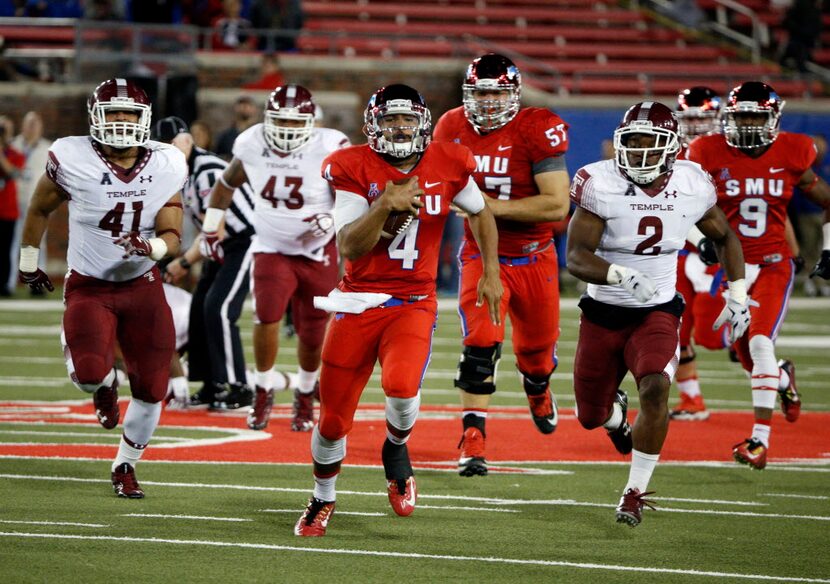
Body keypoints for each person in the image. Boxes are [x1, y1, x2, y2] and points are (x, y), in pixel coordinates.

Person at [288, 84, 502, 537]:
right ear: (374, 125)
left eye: (407, 119)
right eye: (389, 119)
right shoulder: (351, 165)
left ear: (422, 124)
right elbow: (349, 246)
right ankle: (322, 497)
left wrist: (491, 271)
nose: (399, 127)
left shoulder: (449, 161)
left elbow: (481, 213)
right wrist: (384, 203)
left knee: (402, 389)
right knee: (332, 420)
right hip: (358, 299)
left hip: (413, 300)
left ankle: (396, 449)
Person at [567, 101, 749, 526]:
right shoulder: (598, 181)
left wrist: (737, 294)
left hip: (658, 311)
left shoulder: (691, 183)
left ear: (672, 147)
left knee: (655, 388)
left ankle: (634, 492)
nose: (639, 152)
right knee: (590, 416)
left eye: (650, 143)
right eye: (632, 142)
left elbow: (724, 236)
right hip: (603, 311)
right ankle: (616, 418)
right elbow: (576, 256)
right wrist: (619, 275)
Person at [17, 78, 187, 497]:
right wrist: (27, 262)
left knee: (152, 389)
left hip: (142, 285)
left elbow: (173, 233)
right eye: (113, 112)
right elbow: (40, 207)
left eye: (129, 113)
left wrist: (153, 246)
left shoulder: (166, 163)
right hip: (90, 285)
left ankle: (125, 466)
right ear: (95, 117)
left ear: (145, 119)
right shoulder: (72, 157)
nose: (122, 120)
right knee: (90, 376)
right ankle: (105, 385)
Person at [432, 53, 570, 477]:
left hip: (533, 255)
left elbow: (556, 204)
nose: (488, 102)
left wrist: (490, 206)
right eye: (481, 93)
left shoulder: (536, 128)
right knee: (479, 345)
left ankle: (538, 386)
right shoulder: (451, 125)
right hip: (478, 253)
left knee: (536, 353)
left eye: (497, 93)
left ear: (514, 94)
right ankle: (473, 439)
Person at [688, 81, 830, 470]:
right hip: (730, 266)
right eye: (742, 115)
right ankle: (782, 379)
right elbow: (686, 201)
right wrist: (699, 236)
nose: (749, 123)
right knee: (736, 349)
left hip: (771, 264)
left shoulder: (793, 151)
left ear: (773, 119)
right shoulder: (706, 151)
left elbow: (827, 200)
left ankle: (759, 441)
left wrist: (828, 248)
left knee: (761, 342)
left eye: (756, 115)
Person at [200, 85, 349, 431]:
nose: (287, 129)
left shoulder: (329, 147)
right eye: (280, 120)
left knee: (312, 330)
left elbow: (353, 194)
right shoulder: (252, 143)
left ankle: (304, 393)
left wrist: (334, 218)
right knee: (265, 316)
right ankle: (264, 389)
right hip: (271, 247)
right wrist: (211, 226)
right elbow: (226, 183)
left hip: (317, 250)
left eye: (295, 123)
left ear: (312, 123)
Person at [153, 115, 257, 410]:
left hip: (243, 241)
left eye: (171, 146)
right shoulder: (180, 173)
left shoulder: (207, 171)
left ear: (186, 142)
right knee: (200, 309)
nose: (166, 155)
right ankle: (211, 384)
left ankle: (240, 388)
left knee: (220, 309)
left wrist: (183, 263)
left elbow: (215, 228)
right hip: (218, 246)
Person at [670, 86, 726, 420]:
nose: (694, 127)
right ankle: (692, 400)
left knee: (713, 335)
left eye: (702, 119)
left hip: (718, 255)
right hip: (679, 251)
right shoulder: (672, 153)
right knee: (675, 329)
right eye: (689, 119)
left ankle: (769, 369)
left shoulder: (728, 153)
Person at [10, 111, 52, 293]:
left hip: (38, 204)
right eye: (29, 123)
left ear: (41, 127)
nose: (32, 127)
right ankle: (8, 283)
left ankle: (36, 285)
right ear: (23, 126)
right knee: (12, 244)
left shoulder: (48, 148)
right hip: (14, 201)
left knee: (38, 243)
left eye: (36, 123)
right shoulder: (13, 145)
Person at [0, 115, 24, 296]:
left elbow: (13, 173)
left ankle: (4, 286)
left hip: (7, 209)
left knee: (6, 250)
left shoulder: (15, 154)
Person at [214, 95, 258, 160]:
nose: (245, 107)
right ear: (235, 108)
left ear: (255, 109)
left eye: (248, 104)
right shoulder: (225, 136)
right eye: (241, 104)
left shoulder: (260, 135)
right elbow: (218, 157)